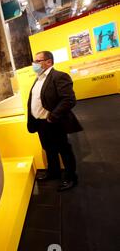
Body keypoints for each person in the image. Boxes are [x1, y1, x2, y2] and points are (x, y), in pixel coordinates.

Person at [27, 51, 83, 192]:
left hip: (53, 122)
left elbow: (69, 100)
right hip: (40, 123)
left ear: (49, 62)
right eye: (35, 61)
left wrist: (52, 117)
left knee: (64, 149)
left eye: (38, 61)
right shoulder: (38, 78)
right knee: (49, 149)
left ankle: (71, 177)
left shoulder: (59, 76)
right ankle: (54, 172)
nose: (35, 64)